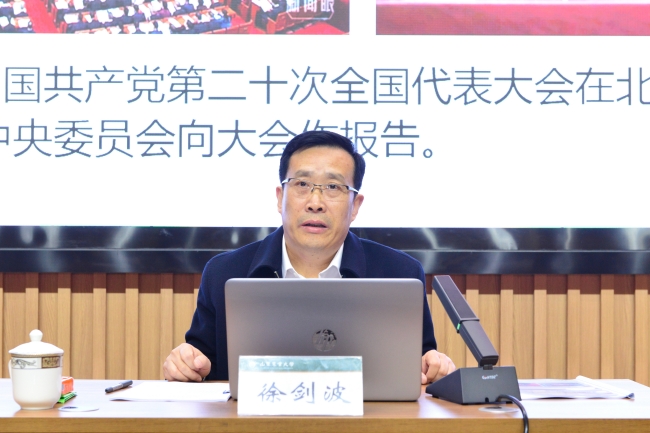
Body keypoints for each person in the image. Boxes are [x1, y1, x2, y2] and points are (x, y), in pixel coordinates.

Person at [163, 131, 455, 385]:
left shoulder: (399, 273)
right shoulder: (225, 272)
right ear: (280, 197)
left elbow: (421, 367)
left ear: (355, 206)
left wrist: (434, 367)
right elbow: (200, 363)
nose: (315, 203)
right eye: (302, 184)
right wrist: (185, 364)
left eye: (333, 187)